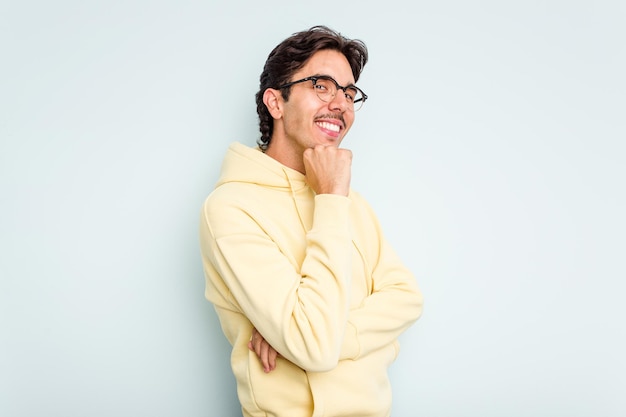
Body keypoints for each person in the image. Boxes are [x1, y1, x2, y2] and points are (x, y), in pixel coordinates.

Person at [199, 25, 423, 417]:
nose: (341, 104)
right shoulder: (231, 207)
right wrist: (331, 199)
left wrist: (322, 336)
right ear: (276, 102)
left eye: (349, 92)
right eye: (322, 85)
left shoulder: (347, 201)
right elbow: (313, 347)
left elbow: (406, 298)